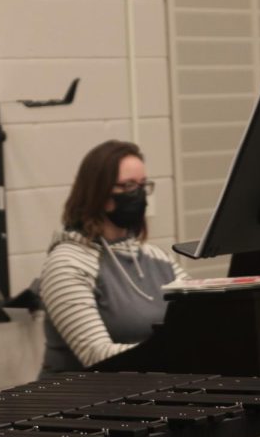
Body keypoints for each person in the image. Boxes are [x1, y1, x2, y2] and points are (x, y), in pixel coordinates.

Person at [39, 140, 186, 374]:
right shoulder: (67, 264)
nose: (138, 195)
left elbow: (198, 322)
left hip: (147, 392)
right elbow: (97, 355)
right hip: (84, 401)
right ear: (98, 193)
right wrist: (174, 353)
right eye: (127, 186)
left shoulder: (158, 258)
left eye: (143, 186)